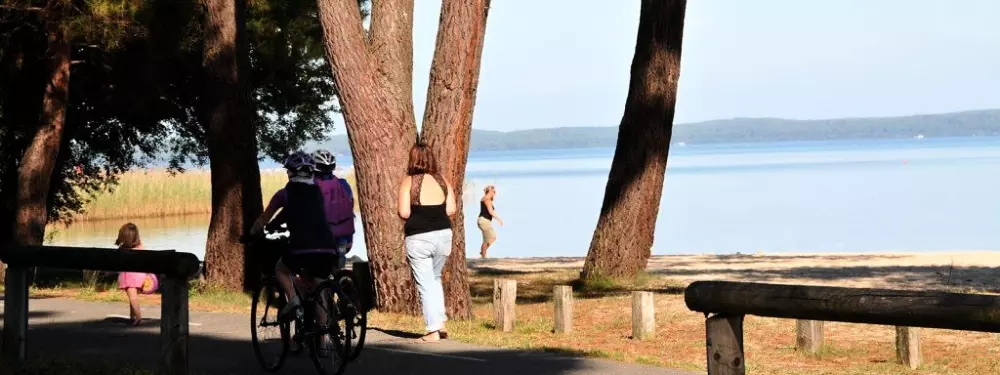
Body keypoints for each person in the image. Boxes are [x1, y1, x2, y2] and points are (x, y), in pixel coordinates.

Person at [250, 151, 338, 323]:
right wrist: (277, 222)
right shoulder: (317, 192)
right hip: (328, 246)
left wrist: (251, 233)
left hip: (302, 248)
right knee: (319, 288)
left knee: (281, 270)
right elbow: (296, 211)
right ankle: (323, 341)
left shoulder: (284, 193)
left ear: (290, 172)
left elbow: (264, 218)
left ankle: (293, 299)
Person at [397, 142, 457, 343]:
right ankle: (440, 323)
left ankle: (433, 330)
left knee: (425, 283)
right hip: (443, 235)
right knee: (435, 278)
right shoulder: (442, 181)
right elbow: (451, 210)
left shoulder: (409, 182)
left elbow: (403, 212)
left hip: (419, 237)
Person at [311, 149, 356, 269]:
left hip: (322, 237)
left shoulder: (312, 186)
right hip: (346, 238)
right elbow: (351, 205)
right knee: (335, 269)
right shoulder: (343, 184)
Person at [116, 223, 146, 326]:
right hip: (139, 274)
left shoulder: (123, 248)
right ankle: (132, 316)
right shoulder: (140, 246)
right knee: (132, 296)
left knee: (133, 297)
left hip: (129, 276)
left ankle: (138, 317)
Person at [477, 185, 503, 259]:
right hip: (484, 221)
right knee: (492, 237)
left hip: (482, 220)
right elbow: (491, 212)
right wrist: (499, 219)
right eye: (494, 191)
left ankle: (483, 254)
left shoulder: (484, 198)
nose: (495, 193)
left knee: (487, 238)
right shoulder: (487, 200)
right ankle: (483, 254)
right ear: (490, 191)